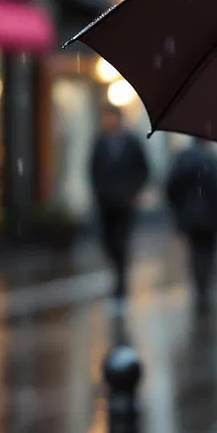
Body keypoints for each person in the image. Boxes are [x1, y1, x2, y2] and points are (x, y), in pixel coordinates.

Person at [88, 104, 149, 305]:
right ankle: (117, 274)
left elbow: (143, 170)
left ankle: (121, 283)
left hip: (125, 203)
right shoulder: (100, 142)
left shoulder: (131, 142)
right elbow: (92, 170)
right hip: (106, 204)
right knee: (108, 242)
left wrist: (133, 192)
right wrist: (98, 193)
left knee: (121, 243)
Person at [166, 138, 217, 314]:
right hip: (210, 217)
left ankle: (201, 289)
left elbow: (170, 188)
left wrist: (180, 210)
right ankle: (206, 287)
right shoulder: (211, 159)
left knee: (196, 253)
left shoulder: (183, 158)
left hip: (191, 218)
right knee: (209, 252)